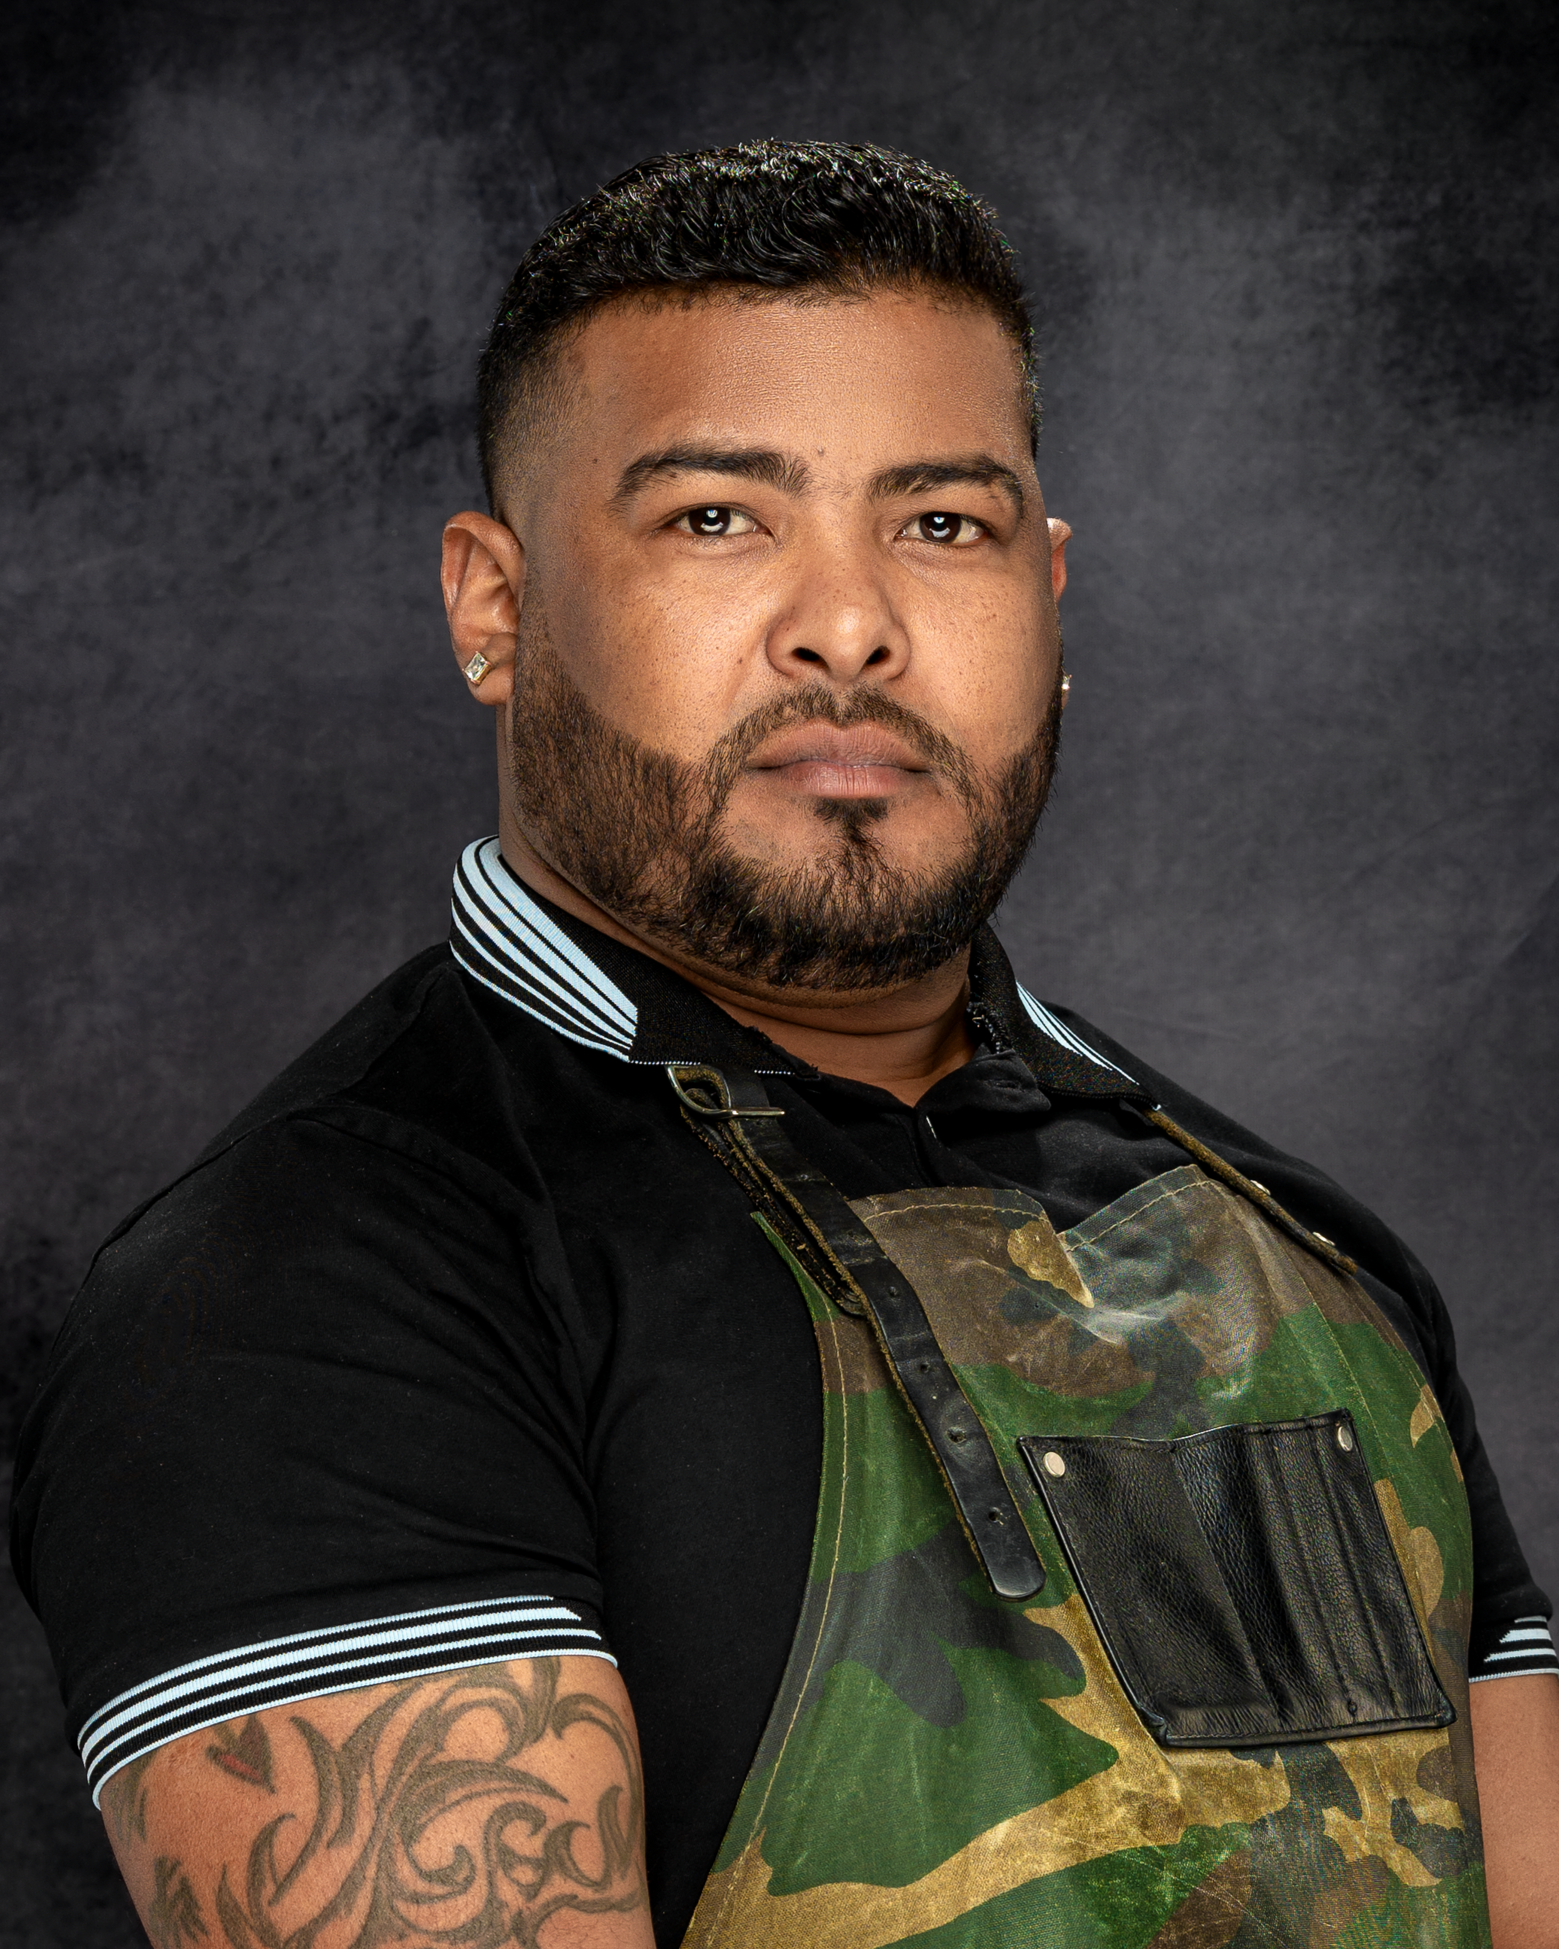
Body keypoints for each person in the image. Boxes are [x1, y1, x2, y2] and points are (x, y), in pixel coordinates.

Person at [11, 140, 1558, 1949]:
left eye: (941, 523)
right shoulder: (305, 1293)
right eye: (717, 518)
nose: (851, 623)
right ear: (492, 608)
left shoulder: (1296, 1256)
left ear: (1048, 596)